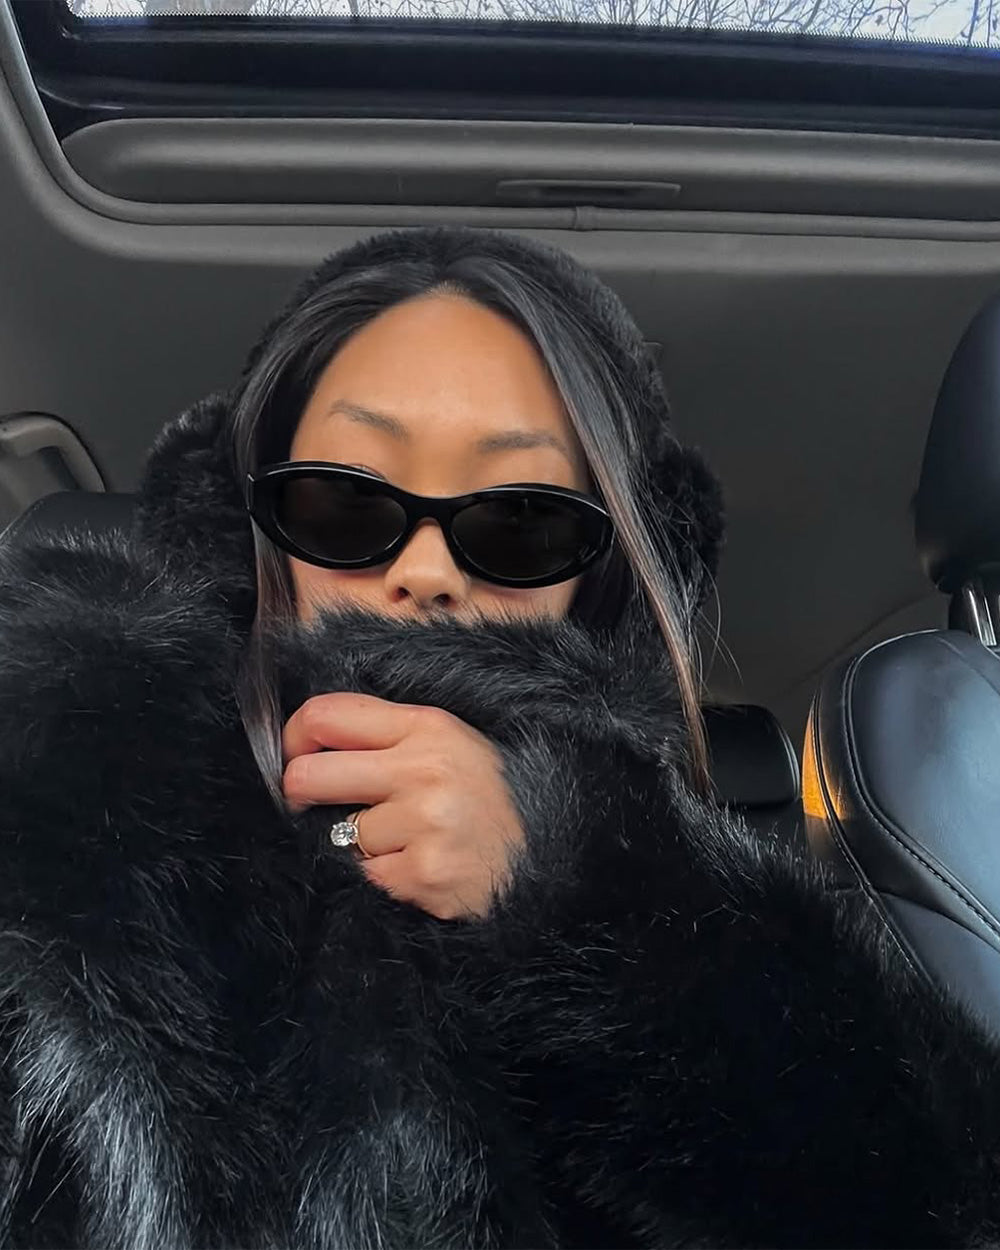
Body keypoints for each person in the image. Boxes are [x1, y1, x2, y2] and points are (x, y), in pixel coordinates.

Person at [0, 226, 997, 1250]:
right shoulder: (66, 796)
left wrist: (575, 888)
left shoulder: (700, 918)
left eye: (519, 519)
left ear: (600, 575)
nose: (428, 569)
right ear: (252, 525)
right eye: (344, 501)